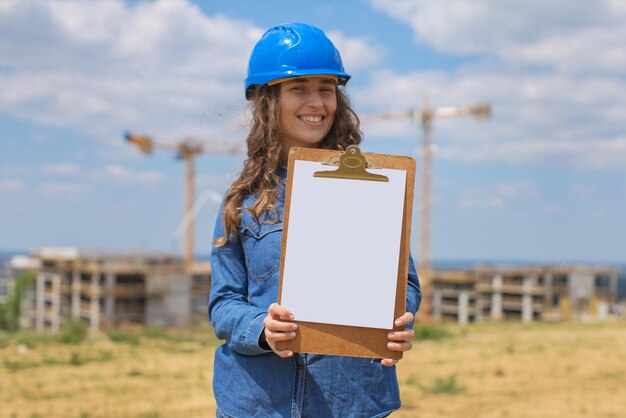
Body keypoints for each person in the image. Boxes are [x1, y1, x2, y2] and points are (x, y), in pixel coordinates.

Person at [209, 22, 421, 418]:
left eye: (326, 88)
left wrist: (395, 316)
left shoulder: (374, 186)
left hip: (351, 400)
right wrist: (260, 328)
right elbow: (223, 303)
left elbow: (404, 282)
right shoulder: (242, 198)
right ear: (268, 99)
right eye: (299, 88)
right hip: (257, 404)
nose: (316, 102)